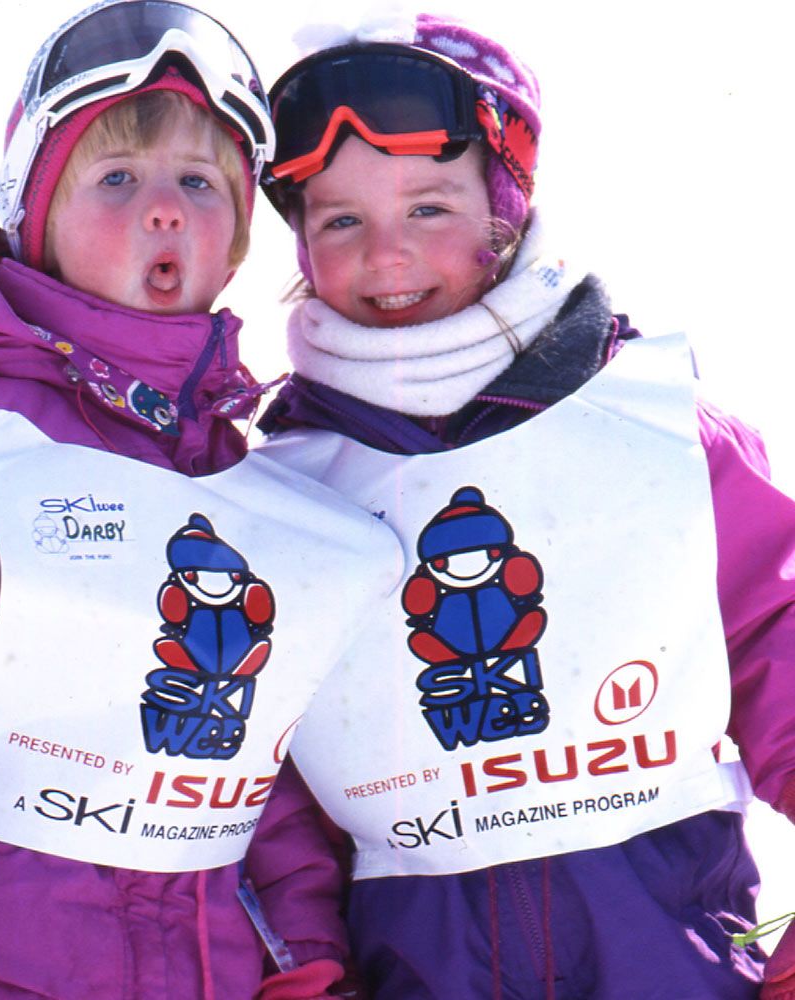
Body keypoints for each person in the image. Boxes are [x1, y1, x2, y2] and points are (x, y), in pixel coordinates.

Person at [0, 2, 402, 997]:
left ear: (239, 239)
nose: (164, 209)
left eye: (198, 182)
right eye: (117, 177)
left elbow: (266, 767)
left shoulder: (249, 496)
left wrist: (304, 955)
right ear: (34, 213)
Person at [255, 11, 795, 1000]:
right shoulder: (281, 495)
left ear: (505, 204)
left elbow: (781, 649)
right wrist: (307, 968)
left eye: (429, 207)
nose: (387, 257)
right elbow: (264, 797)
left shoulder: (660, 437)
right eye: (340, 221)